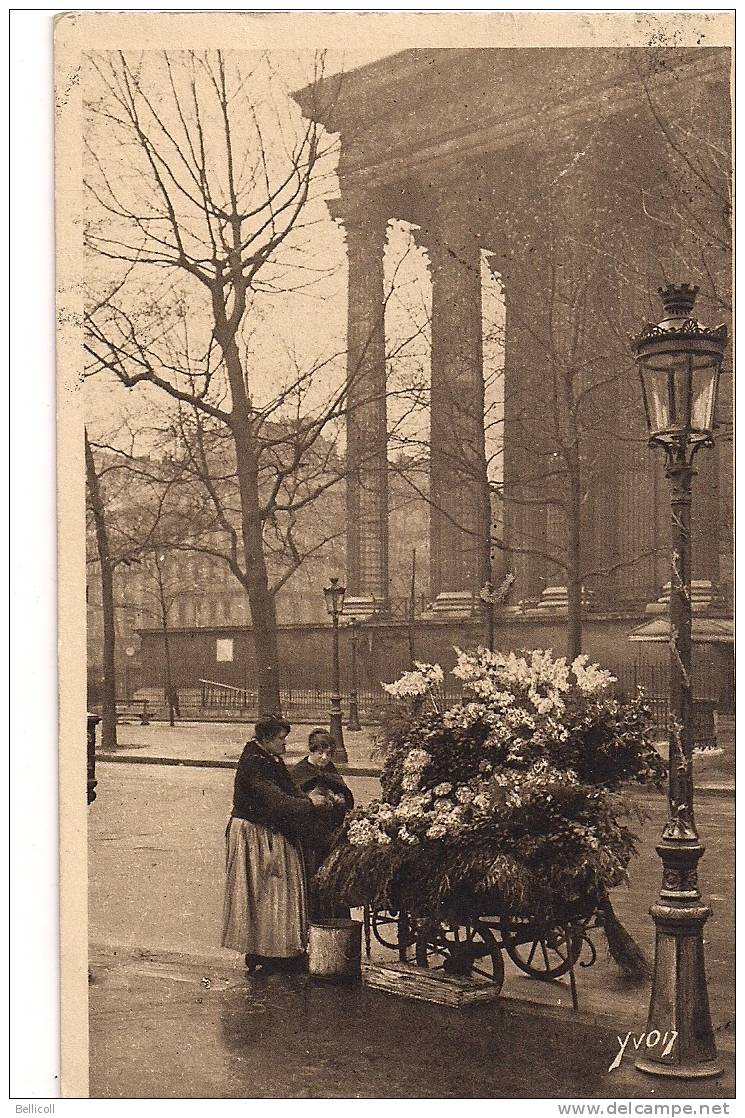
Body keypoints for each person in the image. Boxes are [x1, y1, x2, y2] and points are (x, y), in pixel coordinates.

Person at [221, 715, 333, 974]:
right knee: (267, 891)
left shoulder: (270, 758)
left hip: (268, 830)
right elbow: (274, 801)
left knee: (274, 891)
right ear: (267, 739)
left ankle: (277, 951)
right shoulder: (254, 763)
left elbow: (288, 790)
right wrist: (308, 803)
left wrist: (308, 797)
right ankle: (265, 952)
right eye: (281, 739)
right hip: (256, 834)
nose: (285, 743)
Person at [290, 729, 354, 919]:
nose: (324, 758)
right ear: (311, 751)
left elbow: (346, 795)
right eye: (320, 753)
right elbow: (294, 801)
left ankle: (335, 923)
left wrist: (341, 800)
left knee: (333, 880)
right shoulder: (300, 772)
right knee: (312, 881)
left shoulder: (330, 770)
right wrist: (310, 800)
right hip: (309, 839)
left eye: (328, 754)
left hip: (331, 837)